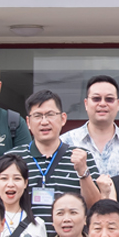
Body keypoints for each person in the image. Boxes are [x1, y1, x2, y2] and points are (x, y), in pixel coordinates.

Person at [11, 90, 101, 228]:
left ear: (63, 118)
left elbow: (95, 206)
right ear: (28, 122)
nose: (44, 122)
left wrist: (83, 172)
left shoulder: (82, 157)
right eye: (37, 116)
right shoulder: (13, 159)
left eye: (50, 115)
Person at [60, 75, 119, 178]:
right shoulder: (65, 142)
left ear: (118, 104)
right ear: (86, 103)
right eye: (96, 99)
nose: (102, 104)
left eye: (109, 99)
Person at [0, 155, 47, 237]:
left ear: (25, 183)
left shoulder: (38, 224)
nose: (10, 184)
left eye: (17, 178)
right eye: (4, 178)